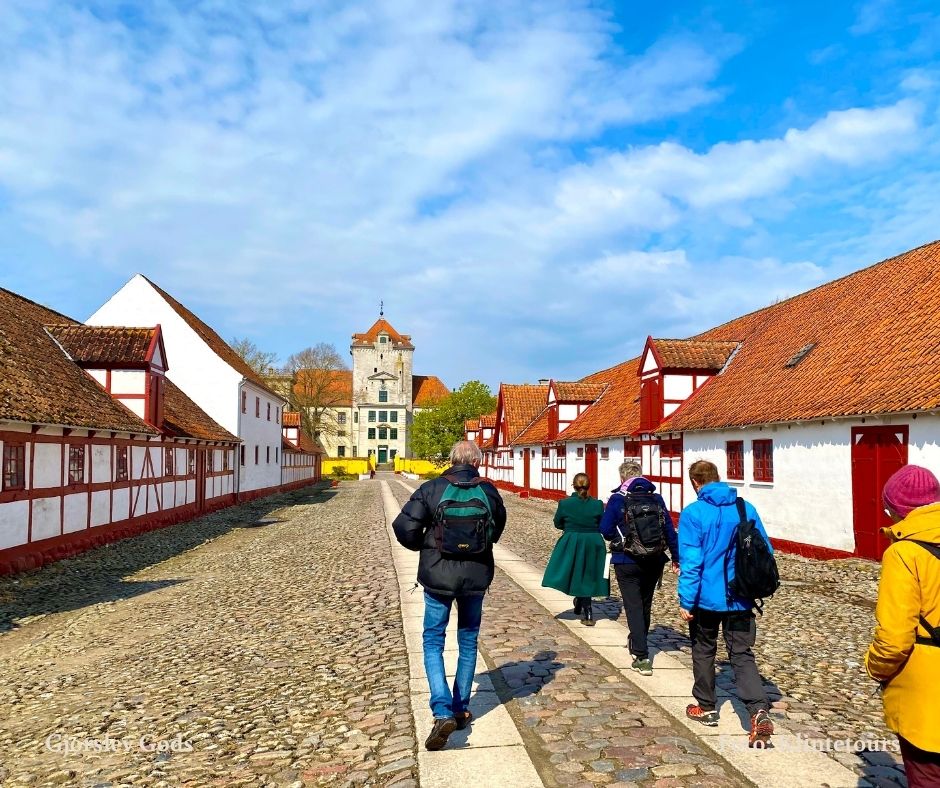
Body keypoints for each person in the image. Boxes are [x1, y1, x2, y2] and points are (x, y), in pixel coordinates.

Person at [393, 440, 506, 751]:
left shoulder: (432, 488)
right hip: (475, 576)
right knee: (468, 641)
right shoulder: (489, 491)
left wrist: (428, 547)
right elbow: (497, 530)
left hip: (437, 576)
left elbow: (403, 526)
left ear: (452, 459)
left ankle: (441, 710)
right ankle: (459, 707)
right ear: (477, 463)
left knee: (433, 640)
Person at [677, 459, 774, 748]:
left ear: (695, 482)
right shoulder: (745, 508)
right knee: (742, 654)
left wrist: (686, 599)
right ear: (718, 478)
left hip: (706, 599)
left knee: (704, 650)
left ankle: (706, 706)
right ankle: (757, 710)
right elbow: (765, 550)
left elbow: (692, 563)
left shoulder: (694, 513)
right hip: (741, 596)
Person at [865, 464, 940, 787]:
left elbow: (895, 637)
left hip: (927, 692)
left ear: (894, 509)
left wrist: (875, 666)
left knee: (926, 775)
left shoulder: (905, 553)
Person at [600, 461, 679, 675]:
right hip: (654, 560)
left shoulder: (618, 499)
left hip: (626, 561)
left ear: (622, 479)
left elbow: (605, 529)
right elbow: (669, 530)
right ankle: (638, 639)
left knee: (632, 606)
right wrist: (676, 557)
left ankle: (642, 656)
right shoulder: (657, 498)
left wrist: (620, 535)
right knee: (645, 603)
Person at [542, 473, 608, 626]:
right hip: (593, 541)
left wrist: (571, 527)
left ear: (573, 485)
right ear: (589, 486)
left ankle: (587, 609)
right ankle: (586, 607)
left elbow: (558, 523)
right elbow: (602, 524)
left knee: (576, 571)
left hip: (572, 540)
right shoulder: (597, 504)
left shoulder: (565, 504)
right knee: (588, 573)